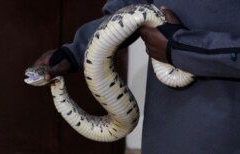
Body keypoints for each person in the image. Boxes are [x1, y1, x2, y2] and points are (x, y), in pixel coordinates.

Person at [34, 0, 240, 153]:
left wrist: (181, 47)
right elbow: (130, 7)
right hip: (166, 130)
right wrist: (74, 51)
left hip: (224, 130)